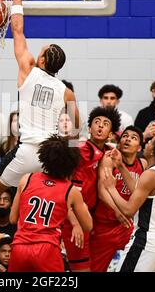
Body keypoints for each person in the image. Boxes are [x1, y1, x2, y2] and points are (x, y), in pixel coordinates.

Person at [0, 0, 80, 248]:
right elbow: (75, 131)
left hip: (27, 150)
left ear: (43, 60)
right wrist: (66, 156)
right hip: (51, 155)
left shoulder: (28, 69)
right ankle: (54, 238)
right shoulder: (66, 92)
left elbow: (18, 30)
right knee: (51, 196)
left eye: (42, 50)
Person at [101, 127, 155, 272]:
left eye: (151, 141)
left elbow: (128, 210)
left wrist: (111, 188)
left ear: (154, 151)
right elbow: (139, 192)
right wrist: (121, 165)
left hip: (145, 244)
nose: (147, 143)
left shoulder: (151, 175)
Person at [8, 135, 93, 272]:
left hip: (20, 247)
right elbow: (88, 226)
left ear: (44, 157)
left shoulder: (26, 179)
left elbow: (12, 218)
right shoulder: (71, 190)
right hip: (47, 249)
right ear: (72, 163)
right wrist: (82, 206)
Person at [61, 106, 120, 272]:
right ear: (89, 128)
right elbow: (62, 191)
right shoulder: (78, 150)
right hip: (72, 219)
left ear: (110, 133)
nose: (100, 126)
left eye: (105, 123)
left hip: (92, 219)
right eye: (97, 122)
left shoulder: (110, 152)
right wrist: (74, 223)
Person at [90, 125, 147, 272]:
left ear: (139, 148)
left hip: (128, 227)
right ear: (119, 141)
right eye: (125, 136)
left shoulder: (143, 164)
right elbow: (102, 190)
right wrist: (116, 210)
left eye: (133, 138)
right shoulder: (109, 159)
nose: (128, 139)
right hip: (105, 225)